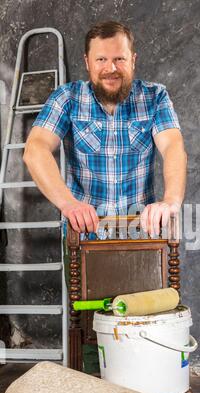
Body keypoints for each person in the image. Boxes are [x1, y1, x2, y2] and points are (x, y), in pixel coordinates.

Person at [23, 21, 187, 237]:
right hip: (83, 235)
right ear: (87, 62)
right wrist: (69, 205)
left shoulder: (155, 97)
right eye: (101, 59)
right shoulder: (67, 98)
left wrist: (170, 202)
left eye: (119, 59)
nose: (111, 68)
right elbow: (36, 149)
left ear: (133, 61)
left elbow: (173, 147)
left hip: (140, 234)